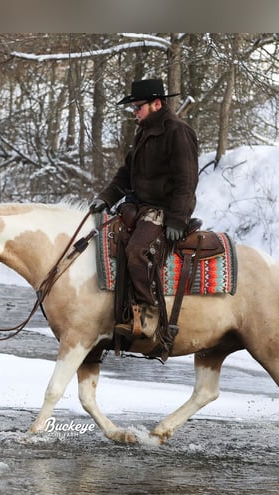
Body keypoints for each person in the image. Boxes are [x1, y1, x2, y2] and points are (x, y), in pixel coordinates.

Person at [89, 78, 199, 342]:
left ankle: (150, 314)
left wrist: (177, 219)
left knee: (137, 251)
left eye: (138, 107)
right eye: (133, 108)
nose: (135, 112)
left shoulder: (177, 132)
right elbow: (126, 174)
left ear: (156, 104)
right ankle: (118, 311)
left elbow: (187, 181)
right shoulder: (143, 132)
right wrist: (106, 197)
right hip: (138, 206)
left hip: (163, 209)